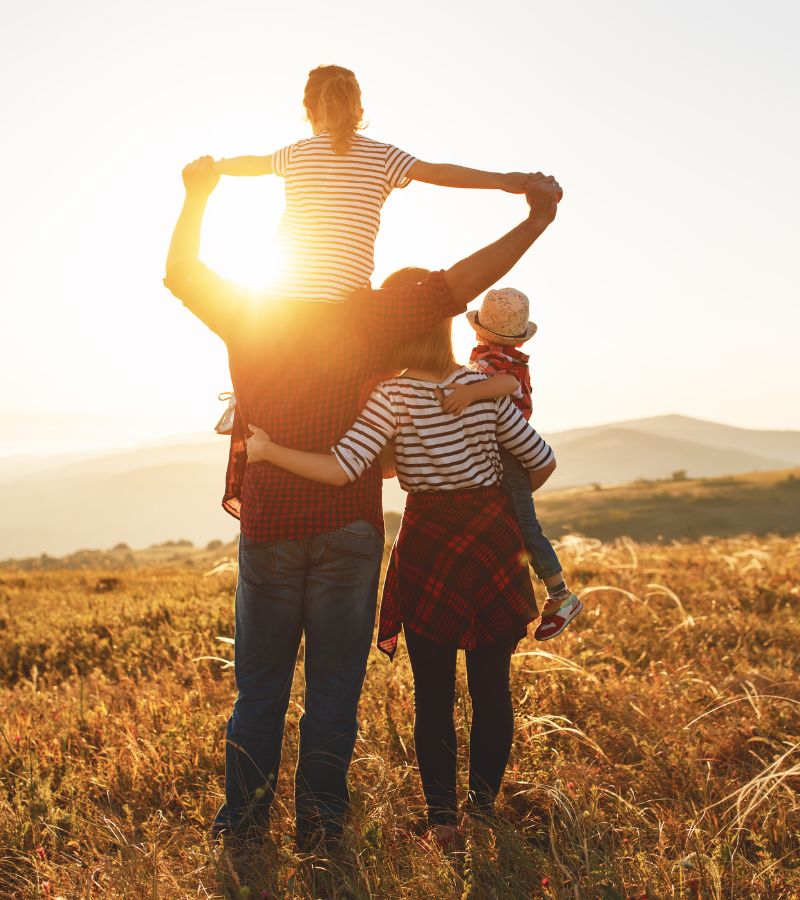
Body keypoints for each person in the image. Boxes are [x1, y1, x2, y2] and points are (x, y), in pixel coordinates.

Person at [163, 154, 562, 848]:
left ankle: (244, 826)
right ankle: (321, 827)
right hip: (350, 527)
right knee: (334, 692)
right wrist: (535, 216)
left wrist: (197, 195)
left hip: (270, 524)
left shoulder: (249, 309)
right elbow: (465, 283)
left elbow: (181, 273)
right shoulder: (377, 314)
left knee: (259, 690)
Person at [245, 292, 557, 846]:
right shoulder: (479, 387)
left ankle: (443, 823)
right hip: (489, 542)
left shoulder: (392, 394)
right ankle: (482, 814)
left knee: (433, 694)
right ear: (445, 331)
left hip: (429, 543)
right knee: (492, 689)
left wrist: (268, 452)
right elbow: (541, 460)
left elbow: (344, 469)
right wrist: (490, 500)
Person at [213, 64, 535, 303]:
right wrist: (503, 181)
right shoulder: (382, 155)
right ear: (359, 110)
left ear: (309, 112)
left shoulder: (296, 153)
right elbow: (438, 173)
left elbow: (252, 163)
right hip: (346, 301)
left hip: (281, 296)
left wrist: (214, 167)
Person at [437, 287, 583, 640]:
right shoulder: (494, 356)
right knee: (509, 522)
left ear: (478, 328)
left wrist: (469, 393)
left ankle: (560, 594)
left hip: (508, 452)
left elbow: (505, 384)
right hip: (501, 450)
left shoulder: (499, 363)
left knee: (524, 525)